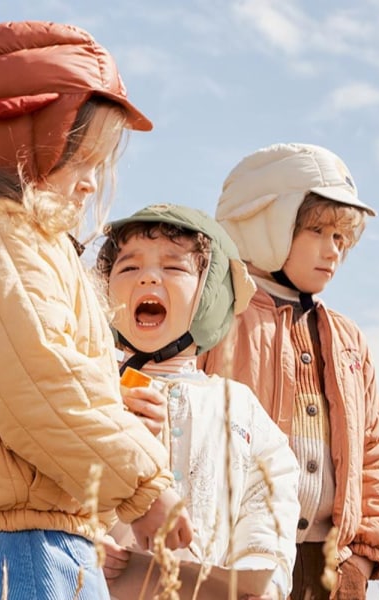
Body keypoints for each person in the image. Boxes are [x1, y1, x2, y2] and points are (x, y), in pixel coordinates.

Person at [0, 21, 192, 600]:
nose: (90, 184)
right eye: (81, 158)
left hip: (8, 534)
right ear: (30, 140)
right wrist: (145, 488)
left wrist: (106, 397)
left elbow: (12, 376)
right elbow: (43, 387)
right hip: (22, 544)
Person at [202, 143, 379, 599]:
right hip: (239, 556)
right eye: (317, 230)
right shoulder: (216, 320)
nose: (333, 250)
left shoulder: (348, 340)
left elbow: (376, 453)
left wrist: (364, 559)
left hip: (330, 565)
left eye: (340, 239)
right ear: (266, 224)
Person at [95, 204, 301, 600]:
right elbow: (49, 481)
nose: (148, 278)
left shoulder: (237, 407)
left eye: (173, 268)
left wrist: (258, 578)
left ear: (210, 295)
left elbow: (268, 499)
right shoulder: (90, 388)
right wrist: (84, 543)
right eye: (128, 268)